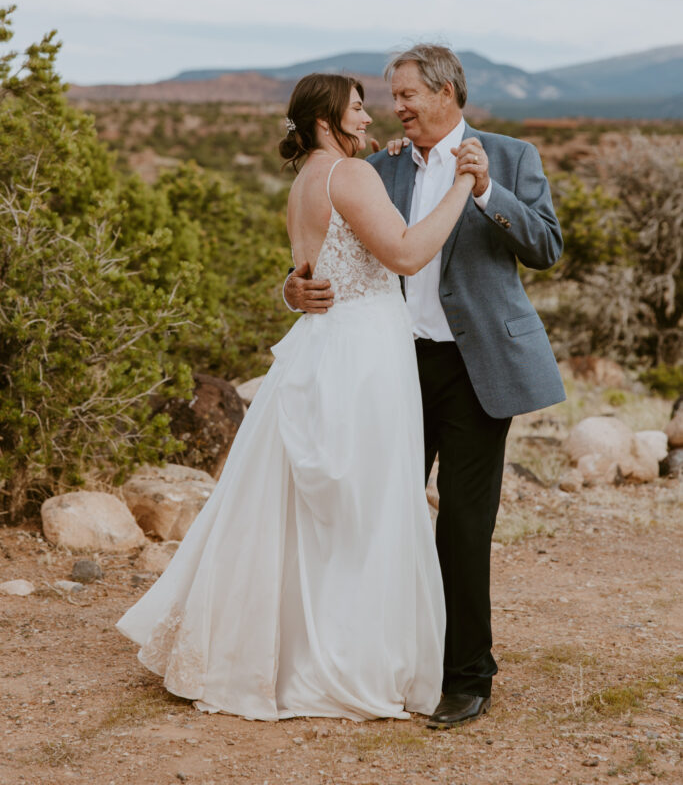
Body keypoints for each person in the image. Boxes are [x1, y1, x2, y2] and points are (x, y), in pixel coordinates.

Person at [116, 72, 476, 721]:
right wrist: (460, 189)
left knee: (304, 510)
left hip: (319, 344)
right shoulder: (351, 177)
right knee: (360, 506)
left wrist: (290, 288)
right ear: (323, 121)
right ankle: (344, 657)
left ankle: (273, 651)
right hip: (363, 353)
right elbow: (404, 255)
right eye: (358, 109)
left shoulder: (306, 179)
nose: (368, 119)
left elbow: (310, 270)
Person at [285, 44, 566, 728]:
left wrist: (485, 193)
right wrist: (293, 287)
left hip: (476, 372)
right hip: (388, 368)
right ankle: (377, 658)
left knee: (463, 528)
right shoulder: (370, 166)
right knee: (377, 515)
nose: (396, 108)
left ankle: (466, 676)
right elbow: (330, 248)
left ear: (446, 93)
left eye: (407, 95)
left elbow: (547, 248)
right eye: (391, 97)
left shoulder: (509, 156)